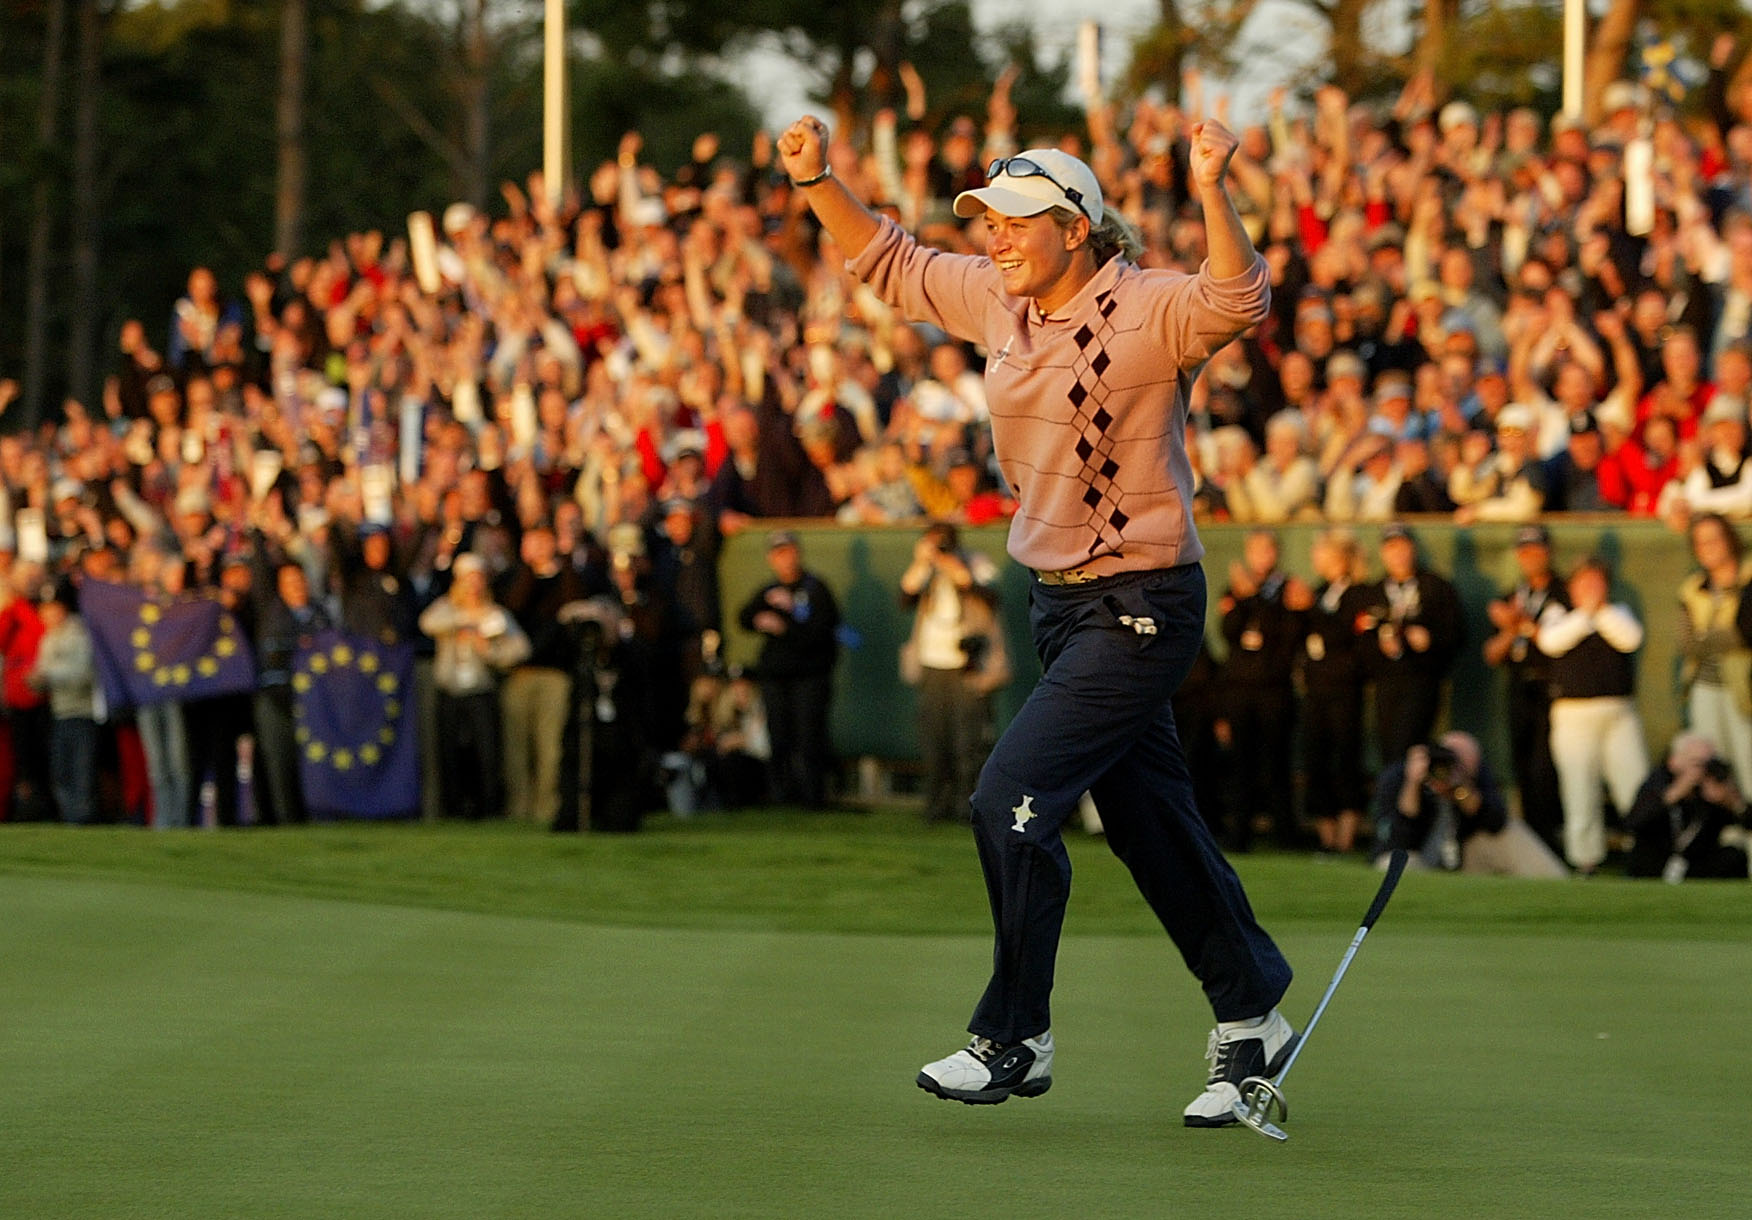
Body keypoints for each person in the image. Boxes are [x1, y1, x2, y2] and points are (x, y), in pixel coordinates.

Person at [776, 113, 1295, 1124]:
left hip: (1139, 602)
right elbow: (889, 260)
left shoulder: (1142, 305)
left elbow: (1238, 296)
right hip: (1061, 609)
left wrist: (1209, 186)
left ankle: (1014, 1034)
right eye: (989, 219)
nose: (996, 236)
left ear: (1077, 227)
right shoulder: (996, 299)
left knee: (1008, 795)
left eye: (1018, 219)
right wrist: (819, 180)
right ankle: (1251, 1013)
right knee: (1151, 826)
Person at [1536, 556, 1650, 875]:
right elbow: (1551, 642)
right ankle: (1586, 859)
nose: (1591, 589)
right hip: (1574, 716)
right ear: (1571, 587)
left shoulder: (1618, 613)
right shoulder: (1558, 614)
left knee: (1635, 785)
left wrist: (1599, 612)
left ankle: (1643, 852)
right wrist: (1586, 614)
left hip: (1619, 715)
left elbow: (1629, 638)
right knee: (1579, 787)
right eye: (1583, 583)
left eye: (1597, 582)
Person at [898, 521, 1008, 824]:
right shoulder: (926, 570)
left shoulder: (975, 562)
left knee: (968, 742)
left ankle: (968, 805)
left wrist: (955, 567)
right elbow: (904, 597)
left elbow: (991, 596)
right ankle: (936, 805)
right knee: (934, 739)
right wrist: (923, 562)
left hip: (968, 667)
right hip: (932, 665)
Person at [418, 553, 531, 820]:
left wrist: (490, 651)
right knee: (449, 751)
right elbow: (427, 623)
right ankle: (453, 808)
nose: (473, 586)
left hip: (481, 690)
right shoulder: (448, 609)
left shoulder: (494, 614)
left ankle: (488, 806)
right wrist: (463, 621)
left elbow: (521, 648)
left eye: (477, 580)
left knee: (486, 750)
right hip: (450, 689)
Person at [735, 530, 840, 808]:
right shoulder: (770, 590)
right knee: (779, 735)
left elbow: (823, 631)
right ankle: (782, 794)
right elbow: (744, 617)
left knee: (809, 737)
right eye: (779, 554)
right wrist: (763, 617)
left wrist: (789, 620)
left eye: (789, 551)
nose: (785, 559)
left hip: (809, 676)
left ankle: (813, 797)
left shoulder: (815, 589)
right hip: (776, 676)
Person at [1371, 732, 1568, 877]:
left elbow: (1496, 821)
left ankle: (1559, 888)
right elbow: (1397, 836)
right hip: (1415, 857)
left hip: (1463, 858)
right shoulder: (1399, 775)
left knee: (1511, 830)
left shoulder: (1476, 777)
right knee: (1393, 865)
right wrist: (1413, 783)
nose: (1449, 770)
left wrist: (1461, 791)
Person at [1481, 523, 1567, 853]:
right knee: (1523, 766)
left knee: (1546, 768)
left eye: (1536, 551)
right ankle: (1532, 840)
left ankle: (1551, 839)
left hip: (1553, 687)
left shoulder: (1563, 593)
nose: (1530, 558)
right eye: (1524, 552)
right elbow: (1492, 653)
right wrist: (1509, 629)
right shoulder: (1511, 596)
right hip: (1519, 687)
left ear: (1549, 552)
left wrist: (1521, 625)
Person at [1358, 523, 1464, 765]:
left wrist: (1430, 640)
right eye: (1392, 548)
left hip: (1422, 680)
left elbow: (1456, 634)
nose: (1398, 555)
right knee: (1389, 747)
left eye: (1403, 548)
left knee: (1409, 746)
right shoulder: (1373, 592)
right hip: (1386, 682)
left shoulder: (1435, 587)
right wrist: (1380, 647)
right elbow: (1360, 639)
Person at [1299, 528, 1371, 854]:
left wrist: (1311, 608)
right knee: (1316, 758)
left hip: (1344, 690)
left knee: (1345, 757)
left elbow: (1344, 635)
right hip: (1315, 689)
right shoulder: (1319, 591)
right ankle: (1326, 837)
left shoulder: (1359, 594)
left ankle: (1347, 836)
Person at [1677, 512, 1752, 790]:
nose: (1707, 548)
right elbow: (1687, 643)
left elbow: (1745, 634)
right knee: (1712, 765)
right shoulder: (1692, 588)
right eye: (1700, 542)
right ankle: (1728, 825)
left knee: (1747, 759)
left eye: (1714, 540)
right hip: (1705, 687)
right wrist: (1730, 636)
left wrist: (1710, 638)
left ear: (1729, 540)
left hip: (1744, 689)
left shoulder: (1748, 579)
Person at [1623, 733, 1750, 880]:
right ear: (1674, 761)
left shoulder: (1714, 786)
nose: (1703, 771)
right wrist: (1674, 794)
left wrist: (1732, 802)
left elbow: (1747, 823)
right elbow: (1632, 823)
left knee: (1734, 856)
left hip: (1695, 862)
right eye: (1697, 764)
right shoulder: (1659, 781)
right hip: (1656, 860)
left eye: (1709, 764)